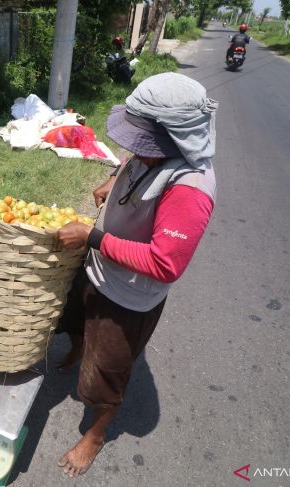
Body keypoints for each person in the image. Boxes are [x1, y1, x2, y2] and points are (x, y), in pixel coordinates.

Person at [54, 72, 218, 477]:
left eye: (145, 142)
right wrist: (115, 179)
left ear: (175, 138)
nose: (135, 148)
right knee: (74, 318)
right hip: (96, 272)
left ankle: (96, 434)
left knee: (105, 375)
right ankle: (79, 346)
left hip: (128, 297)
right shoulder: (157, 152)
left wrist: (94, 237)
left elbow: (166, 263)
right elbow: (137, 158)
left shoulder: (191, 186)